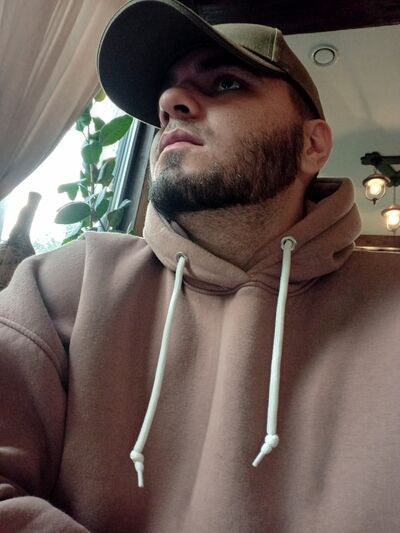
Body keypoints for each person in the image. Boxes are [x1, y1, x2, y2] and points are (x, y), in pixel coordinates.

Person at [0, 0, 399, 531]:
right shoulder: (59, 288)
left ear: (312, 144)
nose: (169, 103)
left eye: (227, 83)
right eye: (166, 97)